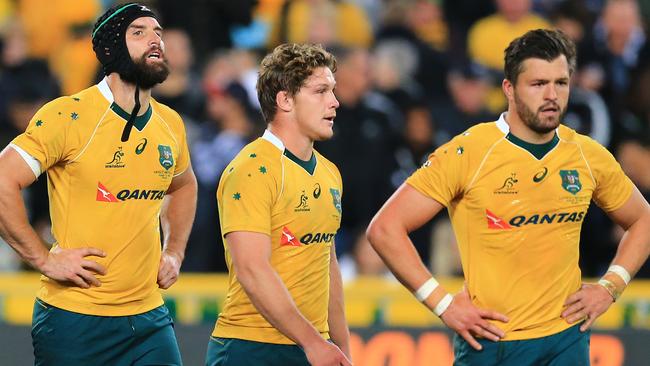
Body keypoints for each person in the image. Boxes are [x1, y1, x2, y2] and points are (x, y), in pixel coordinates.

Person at [367, 29, 650, 365]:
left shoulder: (588, 154)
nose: (552, 95)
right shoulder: (469, 151)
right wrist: (442, 304)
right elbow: (385, 229)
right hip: (491, 344)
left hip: (566, 342)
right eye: (538, 83)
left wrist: (610, 286)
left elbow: (643, 219)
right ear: (509, 89)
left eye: (561, 83)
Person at [0, 3, 197, 365]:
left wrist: (175, 251)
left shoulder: (170, 123)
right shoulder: (68, 115)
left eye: (158, 32)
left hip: (150, 320)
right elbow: (2, 179)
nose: (155, 39)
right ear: (110, 48)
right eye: (139, 32)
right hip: (75, 321)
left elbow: (184, 186)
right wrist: (42, 259)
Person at [206, 43, 352, 366]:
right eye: (320, 91)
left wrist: (341, 348)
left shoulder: (330, 174)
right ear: (284, 100)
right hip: (251, 348)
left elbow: (328, 266)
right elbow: (252, 269)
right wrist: (314, 343)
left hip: (312, 346)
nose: (335, 102)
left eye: (333, 90)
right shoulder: (251, 169)